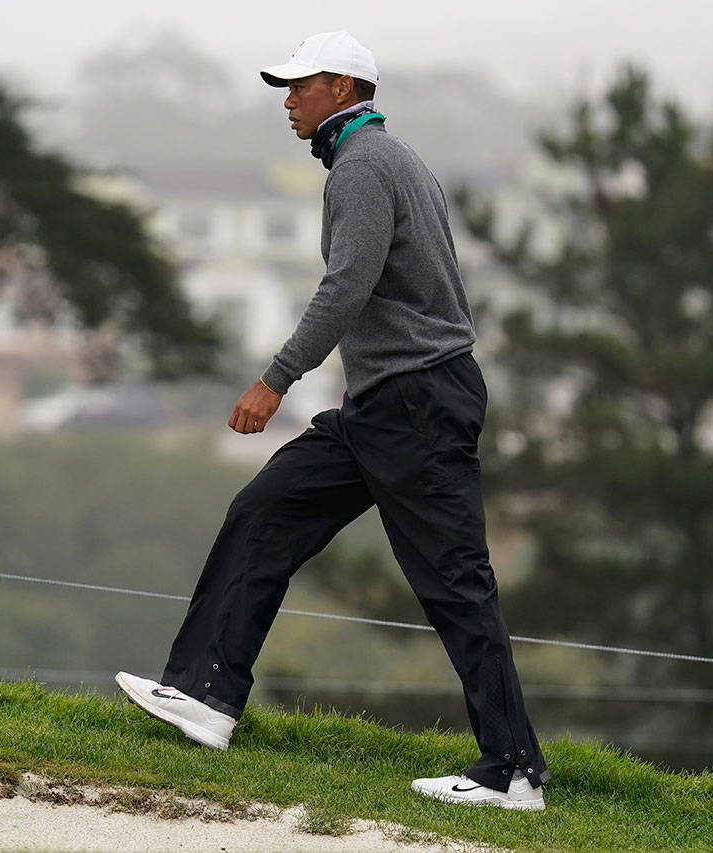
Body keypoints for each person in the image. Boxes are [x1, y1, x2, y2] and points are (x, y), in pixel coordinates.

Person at [116, 30, 548, 811]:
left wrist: (274, 380)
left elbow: (347, 284)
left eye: (300, 87)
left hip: (415, 401)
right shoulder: (393, 158)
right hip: (387, 404)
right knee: (263, 510)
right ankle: (207, 696)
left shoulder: (362, 167)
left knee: (455, 583)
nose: (288, 101)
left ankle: (513, 772)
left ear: (343, 89)